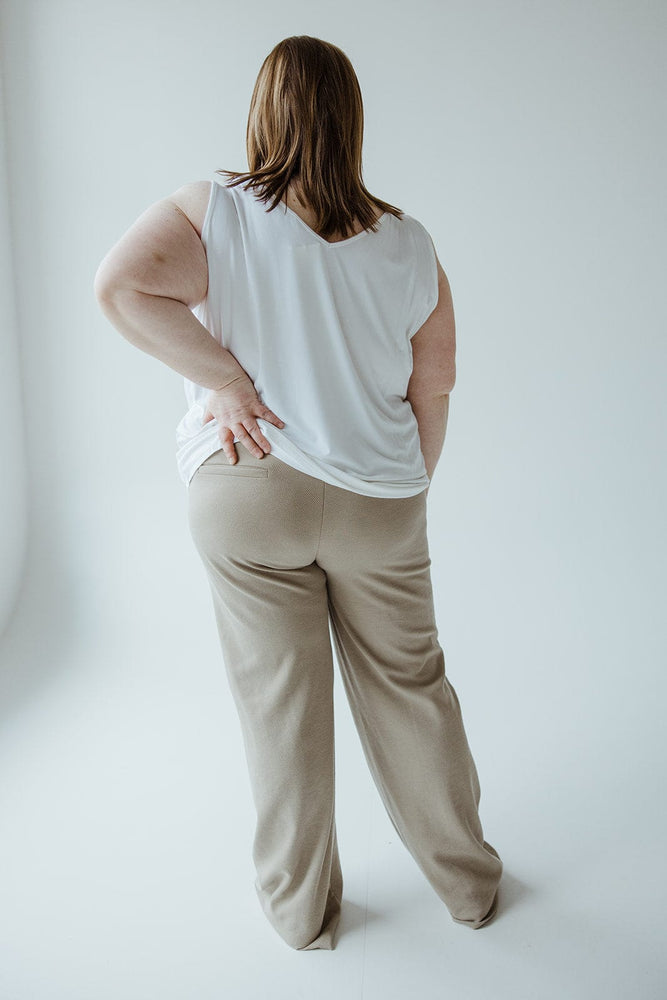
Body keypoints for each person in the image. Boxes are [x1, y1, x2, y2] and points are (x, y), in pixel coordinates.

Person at [94, 34, 503, 952]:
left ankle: (300, 913)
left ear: (263, 109)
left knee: (280, 700)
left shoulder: (214, 211)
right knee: (412, 687)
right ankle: (470, 889)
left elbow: (120, 288)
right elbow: (430, 387)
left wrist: (227, 383)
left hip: (248, 488)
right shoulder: (410, 243)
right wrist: (403, 488)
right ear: (352, 120)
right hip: (379, 501)